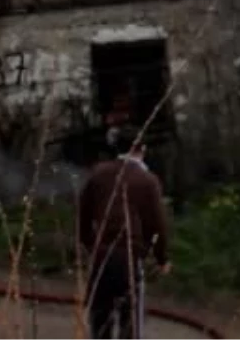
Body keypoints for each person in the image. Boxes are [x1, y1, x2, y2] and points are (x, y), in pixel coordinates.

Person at [78, 125, 171, 340]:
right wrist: (161, 258)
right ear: (142, 149)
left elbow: (83, 217)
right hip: (129, 258)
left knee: (100, 322)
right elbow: (156, 224)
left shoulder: (98, 174)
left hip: (101, 258)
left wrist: (91, 246)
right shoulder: (147, 180)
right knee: (130, 324)